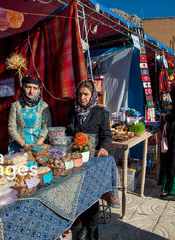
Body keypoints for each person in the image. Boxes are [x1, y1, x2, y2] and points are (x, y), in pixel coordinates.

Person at [66, 80, 112, 240]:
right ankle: (84, 226)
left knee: (92, 196)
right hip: (77, 160)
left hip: (94, 161)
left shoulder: (100, 112)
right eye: (79, 94)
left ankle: (92, 230)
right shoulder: (73, 111)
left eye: (86, 94)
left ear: (92, 95)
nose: (82, 97)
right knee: (79, 194)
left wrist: (104, 147)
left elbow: (107, 135)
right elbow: (68, 133)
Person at [8, 74, 52, 152]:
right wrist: (24, 144)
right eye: (28, 87)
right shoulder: (16, 106)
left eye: (35, 88)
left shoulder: (43, 106)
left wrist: (37, 144)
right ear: (23, 88)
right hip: (19, 146)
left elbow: (47, 127)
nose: (31, 91)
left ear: (39, 90)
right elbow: (12, 127)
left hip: (39, 146)